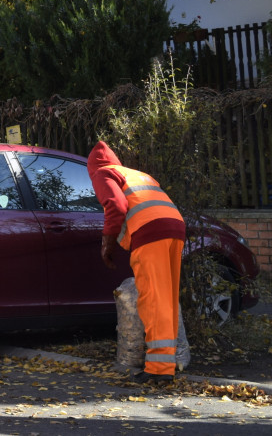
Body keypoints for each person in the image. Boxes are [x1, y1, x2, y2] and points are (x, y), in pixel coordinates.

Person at [87, 140, 186, 384]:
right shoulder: (138, 175)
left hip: (150, 233)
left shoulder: (102, 173)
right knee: (167, 298)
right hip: (175, 228)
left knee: (152, 298)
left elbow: (116, 207)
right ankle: (166, 363)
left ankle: (159, 369)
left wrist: (107, 243)